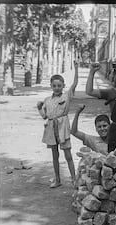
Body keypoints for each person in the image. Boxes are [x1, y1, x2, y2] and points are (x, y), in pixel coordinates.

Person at [37, 60, 78, 188]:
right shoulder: (47, 100)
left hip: (62, 128)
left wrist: (76, 68)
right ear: (51, 86)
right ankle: (57, 179)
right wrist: (39, 108)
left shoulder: (66, 96)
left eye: (59, 85)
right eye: (54, 85)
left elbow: (75, 84)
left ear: (63, 86)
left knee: (68, 155)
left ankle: (74, 179)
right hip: (51, 128)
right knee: (55, 156)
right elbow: (44, 116)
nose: (57, 88)